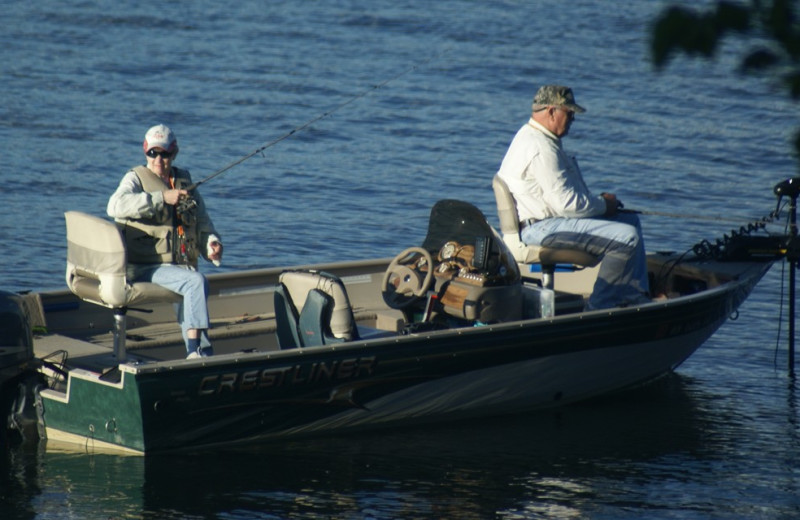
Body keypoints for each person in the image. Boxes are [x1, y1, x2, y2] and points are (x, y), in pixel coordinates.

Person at [496, 85, 651, 310]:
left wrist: (600, 204)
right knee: (627, 238)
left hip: (547, 221)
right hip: (541, 228)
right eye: (569, 114)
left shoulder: (533, 136)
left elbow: (564, 198)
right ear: (551, 112)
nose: (572, 120)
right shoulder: (541, 147)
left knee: (630, 222)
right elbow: (567, 205)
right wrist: (604, 205)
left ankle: (635, 295)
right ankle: (599, 308)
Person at [107, 124, 223, 358]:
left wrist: (211, 244)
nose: (158, 160)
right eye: (153, 153)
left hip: (179, 265)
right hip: (143, 267)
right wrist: (161, 198)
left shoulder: (184, 181)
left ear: (175, 152)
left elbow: (202, 223)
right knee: (195, 282)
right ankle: (196, 351)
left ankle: (203, 352)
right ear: (145, 150)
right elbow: (114, 206)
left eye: (165, 154)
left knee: (191, 277)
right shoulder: (135, 178)